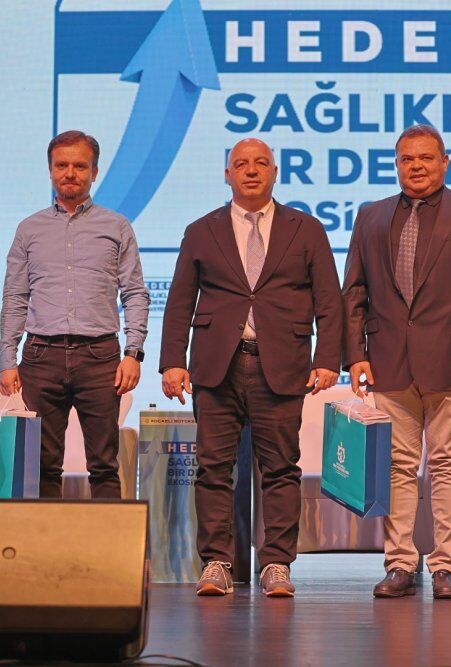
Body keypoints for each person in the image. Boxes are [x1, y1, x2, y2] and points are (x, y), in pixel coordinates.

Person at [160, 138, 343, 597]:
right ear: (228, 175)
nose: (251, 170)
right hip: (215, 366)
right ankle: (216, 563)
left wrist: (327, 359)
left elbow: (329, 300)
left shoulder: (306, 229)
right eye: (241, 164)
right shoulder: (201, 230)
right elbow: (180, 301)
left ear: (275, 172)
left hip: (281, 364)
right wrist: (172, 362)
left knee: (280, 468)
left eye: (261, 163)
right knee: (213, 468)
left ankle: (277, 564)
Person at [342, 124, 451, 600]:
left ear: (444, 162)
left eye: (425, 157)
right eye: (406, 159)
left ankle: (445, 566)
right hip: (388, 359)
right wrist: (355, 354)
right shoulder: (370, 215)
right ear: (396, 164)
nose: (416, 166)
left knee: (446, 462)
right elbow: (353, 291)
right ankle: (400, 563)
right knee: (396, 466)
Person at [0, 130, 150, 498]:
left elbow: (134, 292)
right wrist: (7, 359)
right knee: (42, 467)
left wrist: (133, 353)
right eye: (61, 165)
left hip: (100, 357)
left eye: (80, 166)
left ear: (94, 172)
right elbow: (15, 296)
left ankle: (108, 539)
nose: (70, 173)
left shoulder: (116, 226)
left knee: (104, 465)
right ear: (50, 170)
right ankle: (47, 538)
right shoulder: (29, 229)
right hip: (41, 357)